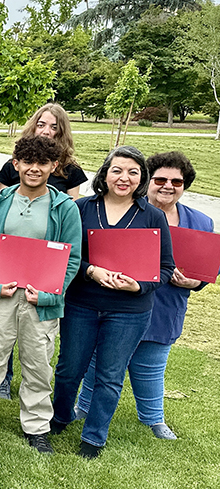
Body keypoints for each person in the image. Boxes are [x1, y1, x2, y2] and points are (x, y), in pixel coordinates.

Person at [0, 135, 82, 454]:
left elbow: (72, 258)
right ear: (16, 164)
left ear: (54, 166)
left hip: (40, 302)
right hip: (1, 296)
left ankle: (37, 426)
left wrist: (49, 294)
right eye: (27, 161)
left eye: (42, 163)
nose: (34, 169)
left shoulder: (64, 208)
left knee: (39, 365)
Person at [74, 151, 209, 441]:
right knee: (99, 359)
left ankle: (153, 417)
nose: (168, 186)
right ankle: (83, 407)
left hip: (165, 303)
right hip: (114, 300)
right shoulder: (133, 212)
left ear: (185, 185)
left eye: (176, 181)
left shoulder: (200, 222)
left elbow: (207, 269)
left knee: (151, 363)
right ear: (149, 181)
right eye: (160, 179)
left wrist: (195, 282)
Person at [50, 146, 175, 459]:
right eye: (117, 170)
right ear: (104, 174)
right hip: (82, 303)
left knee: (110, 375)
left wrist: (139, 285)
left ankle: (94, 437)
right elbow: (62, 254)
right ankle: (60, 417)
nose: (125, 177)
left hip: (129, 311)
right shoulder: (81, 209)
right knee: (69, 368)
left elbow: (165, 267)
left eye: (134, 172)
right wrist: (90, 270)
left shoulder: (152, 216)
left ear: (142, 179)